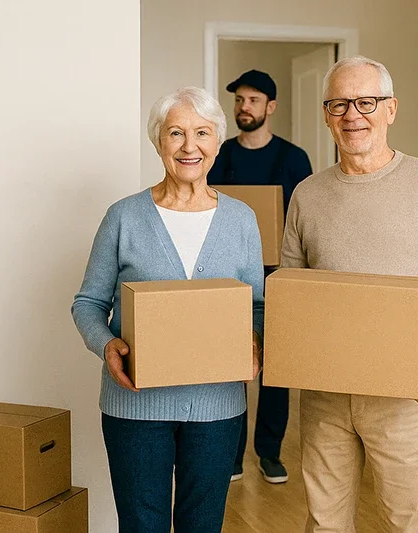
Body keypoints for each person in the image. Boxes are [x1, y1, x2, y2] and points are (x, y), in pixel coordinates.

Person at [281, 56, 418, 532]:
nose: (352, 114)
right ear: (326, 114)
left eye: (366, 102)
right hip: (324, 393)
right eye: (338, 104)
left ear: (391, 108)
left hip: (403, 396)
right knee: (325, 523)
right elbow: (291, 290)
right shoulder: (307, 194)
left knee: (405, 523)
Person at [71, 86, 265, 533]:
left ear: (218, 141)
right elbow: (89, 303)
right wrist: (107, 345)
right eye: (176, 133)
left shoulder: (242, 219)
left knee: (204, 525)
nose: (189, 146)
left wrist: (255, 342)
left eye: (202, 132)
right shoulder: (123, 217)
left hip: (217, 406)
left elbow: (256, 305)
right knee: (142, 525)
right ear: (158, 141)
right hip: (136, 406)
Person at [208, 69, 313, 484]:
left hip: (279, 274)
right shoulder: (220, 155)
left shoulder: (294, 158)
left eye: (252, 100)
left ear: (271, 107)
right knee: (230, 364)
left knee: (275, 365)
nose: (243, 107)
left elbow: (305, 220)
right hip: (228, 275)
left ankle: (270, 452)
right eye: (239, 100)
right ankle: (231, 455)